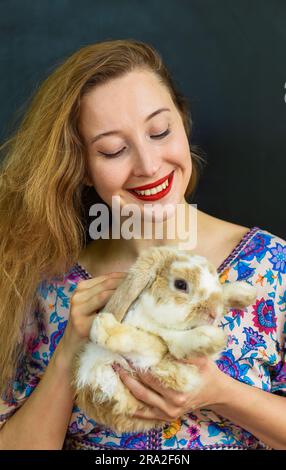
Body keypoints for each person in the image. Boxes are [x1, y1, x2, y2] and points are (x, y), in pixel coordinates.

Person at [0, 39, 285, 451]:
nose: (149, 166)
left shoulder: (271, 266)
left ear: (183, 123)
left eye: (159, 131)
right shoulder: (46, 287)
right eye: (113, 150)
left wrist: (222, 393)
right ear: (80, 166)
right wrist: (68, 353)